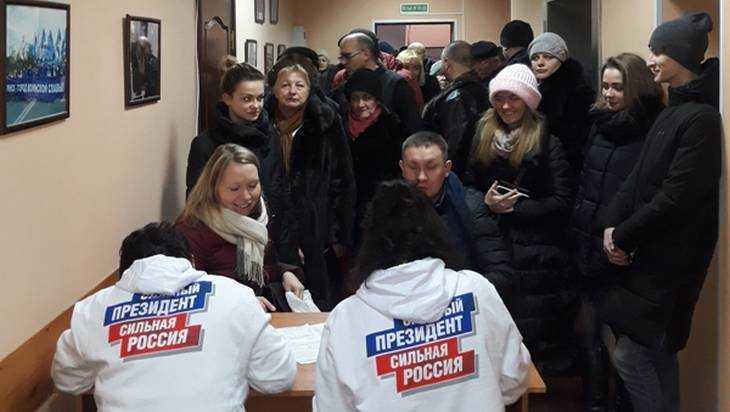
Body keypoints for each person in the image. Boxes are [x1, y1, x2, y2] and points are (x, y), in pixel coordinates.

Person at [313, 180, 531, 411]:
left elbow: (330, 406)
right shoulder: (477, 290)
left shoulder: (345, 319)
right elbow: (514, 379)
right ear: (435, 231)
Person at [601, 13, 720, 412]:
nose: (650, 60)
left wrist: (623, 235)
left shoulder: (702, 119)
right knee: (658, 354)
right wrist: (611, 226)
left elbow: (675, 197)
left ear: (681, 56)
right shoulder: (672, 111)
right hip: (648, 256)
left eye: (659, 52)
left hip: (672, 261)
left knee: (631, 356)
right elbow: (636, 178)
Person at [52, 222, 296, 411]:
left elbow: (68, 381)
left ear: (125, 271)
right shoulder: (234, 295)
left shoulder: (93, 310)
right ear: (192, 261)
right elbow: (277, 377)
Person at [464, 64, 576, 374]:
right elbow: (469, 182)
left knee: (531, 333)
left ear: (528, 101)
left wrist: (516, 208)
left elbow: (563, 200)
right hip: (492, 245)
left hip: (537, 254)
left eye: (513, 98)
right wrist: (484, 202)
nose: (506, 106)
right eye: (499, 98)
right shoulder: (482, 134)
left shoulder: (548, 141)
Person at [569, 53, 664, 412]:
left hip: (622, 251)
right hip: (587, 243)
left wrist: (628, 241)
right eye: (605, 86)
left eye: (618, 87)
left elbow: (649, 195)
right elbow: (586, 182)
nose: (608, 94)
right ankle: (595, 404)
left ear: (636, 87)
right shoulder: (598, 123)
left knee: (624, 345)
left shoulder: (651, 130)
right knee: (588, 333)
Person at [265, 57, 356, 309]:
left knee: (321, 299)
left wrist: (338, 234)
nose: (292, 91)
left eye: (299, 85)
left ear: (309, 89)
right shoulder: (262, 122)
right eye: (285, 85)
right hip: (273, 223)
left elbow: (343, 179)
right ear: (274, 89)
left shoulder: (325, 121)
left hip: (318, 227)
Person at [177, 144, 305, 312]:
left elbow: (267, 265)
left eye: (252, 186)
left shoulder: (261, 214)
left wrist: (284, 274)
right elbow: (191, 293)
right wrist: (241, 302)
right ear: (212, 187)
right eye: (234, 189)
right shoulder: (191, 229)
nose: (246, 197)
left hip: (267, 311)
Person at [400, 131, 513, 294]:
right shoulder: (389, 209)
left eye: (431, 167)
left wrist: (449, 296)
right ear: (402, 168)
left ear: (447, 168)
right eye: (413, 167)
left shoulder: (470, 205)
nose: (421, 177)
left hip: (461, 299)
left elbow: (501, 274)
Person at [187, 59, 272, 196]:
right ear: (227, 99)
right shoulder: (205, 144)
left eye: (260, 98)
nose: (256, 105)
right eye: (246, 99)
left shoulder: (270, 135)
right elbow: (197, 198)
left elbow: (278, 188)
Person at [344, 69, 406, 243]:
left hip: (378, 206)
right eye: (355, 98)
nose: (360, 104)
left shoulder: (392, 127)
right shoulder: (339, 124)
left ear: (377, 99)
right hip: (345, 207)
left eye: (367, 98)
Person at [528, 32, 595, 175]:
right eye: (535, 58)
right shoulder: (533, 90)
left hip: (565, 168)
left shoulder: (577, 93)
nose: (540, 63)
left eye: (548, 57)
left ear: (561, 59)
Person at [422, 41, 488, 177]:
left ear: (446, 63)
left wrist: (445, 174)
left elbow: (455, 144)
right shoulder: (480, 88)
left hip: (456, 174)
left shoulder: (457, 97)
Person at [337, 32, 423, 135]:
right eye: (341, 57)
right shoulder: (345, 84)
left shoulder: (396, 84)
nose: (343, 62)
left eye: (347, 56)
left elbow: (412, 128)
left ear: (366, 54)